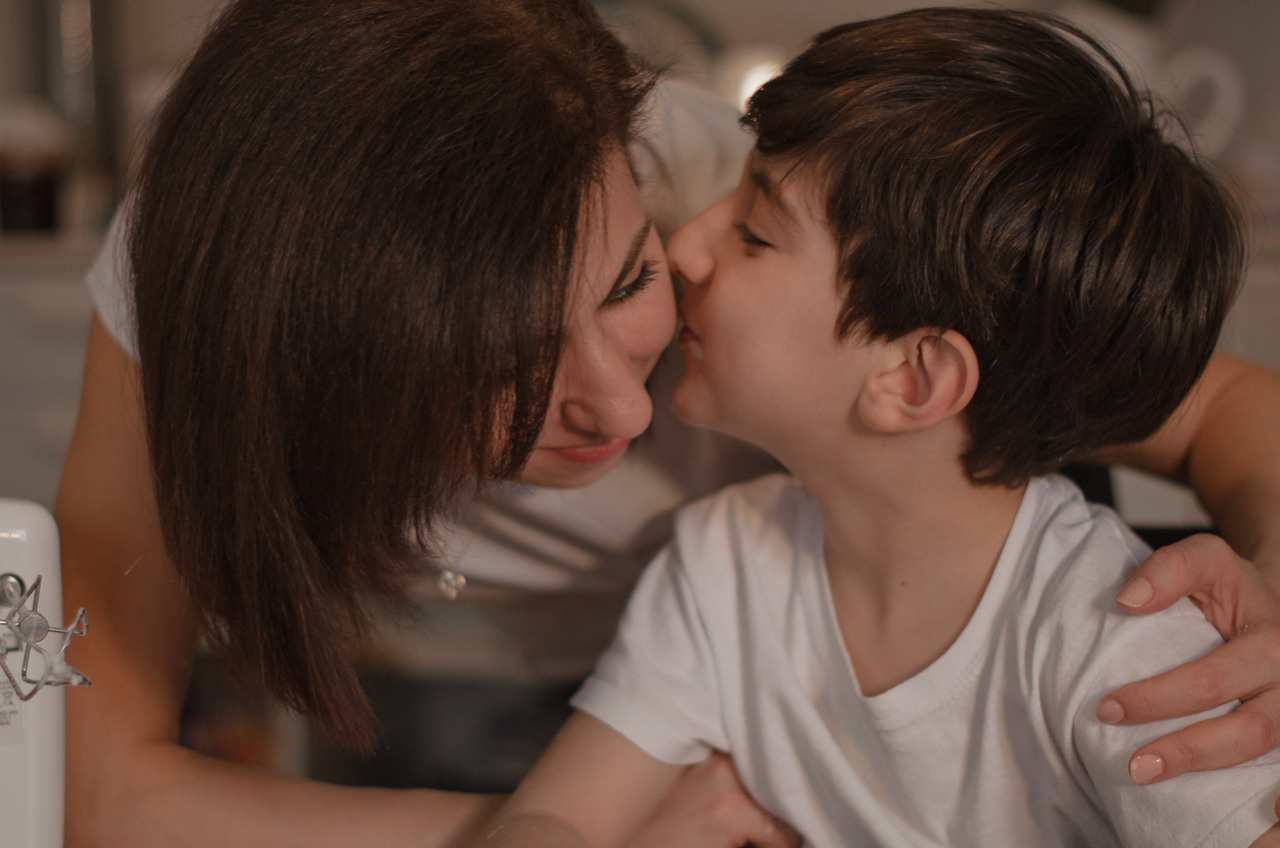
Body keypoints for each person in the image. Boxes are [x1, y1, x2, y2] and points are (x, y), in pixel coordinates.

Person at [56, 0, 1280, 846]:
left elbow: (1212, 399)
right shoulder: (718, 569)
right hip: (645, 708)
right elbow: (99, 789)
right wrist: (608, 817)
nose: (625, 407)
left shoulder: (1097, 633)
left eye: (630, 281)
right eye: (502, 369)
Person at [469, 9, 1280, 847]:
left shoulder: (1125, 636)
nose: (686, 248)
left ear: (912, 379)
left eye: (752, 233)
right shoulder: (721, 565)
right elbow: (554, 815)